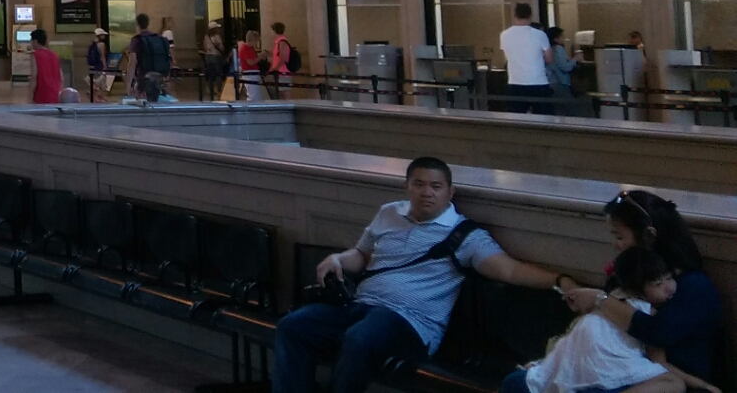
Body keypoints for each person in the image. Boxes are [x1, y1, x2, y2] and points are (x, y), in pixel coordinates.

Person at [272, 156, 562, 393]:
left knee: (359, 338)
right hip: (361, 305)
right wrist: (337, 259)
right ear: (407, 187)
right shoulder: (388, 213)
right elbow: (361, 256)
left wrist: (559, 281)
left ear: (450, 192)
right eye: (419, 184)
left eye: (436, 186)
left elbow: (509, 269)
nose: (427, 192)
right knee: (292, 326)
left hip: (410, 322)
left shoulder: (464, 235)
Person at [557, 189, 724, 387]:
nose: (616, 245)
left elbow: (656, 333)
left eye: (620, 237)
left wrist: (600, 300)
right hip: (624, 371)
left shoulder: (695, 285)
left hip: (673, 380)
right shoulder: (635, 278)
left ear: (649, 236)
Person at [509, 247, 705, 393]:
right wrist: (702, 384)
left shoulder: (606, 300)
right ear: (637, 289)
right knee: (674, 384)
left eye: (669, 278)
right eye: (658, 284)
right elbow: (659, 362)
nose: (669, 288)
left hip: (572, 372)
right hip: (606, 371)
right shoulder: (648, 313)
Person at [501, 3, 552, 113]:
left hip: (515, 82)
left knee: (516, 119)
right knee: (544, 118)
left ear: (515, 15)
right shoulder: (540, 35)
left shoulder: (504, 35)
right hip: (538, 82)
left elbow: (507, 56)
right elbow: (549, 59)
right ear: (530, 16)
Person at [124, 13, 171, 102]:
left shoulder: (137, 40)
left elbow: (132, 63)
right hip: (158, 78)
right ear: (148, 23)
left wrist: (128, 85)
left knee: (143, 104)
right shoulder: (158, 38)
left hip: (143, 78)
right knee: (155, 103)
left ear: (137, 24)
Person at [31, 27, 65, 103]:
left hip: (41, 95)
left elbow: (34, 77)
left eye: (31, 41)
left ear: (35, 41)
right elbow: (61, 78)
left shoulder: (35, 55)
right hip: (55, 95)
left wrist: (30, 96)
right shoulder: (54, 55)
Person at [544, 26, 575, 111]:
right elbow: (565, 67)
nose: (564, 39)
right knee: (569, 109)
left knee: (557, 109)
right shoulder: (558, 48)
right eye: (562, 37)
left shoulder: (548, 49)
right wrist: (575, 59)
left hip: (551, 81)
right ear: (556, 39)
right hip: (561, 82)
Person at [267, 21, 295, 97]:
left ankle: (289, 104)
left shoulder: (282, 42)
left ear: (275, 31)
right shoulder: (279, 42)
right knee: (282, 92)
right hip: (280, 71)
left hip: (283, 71)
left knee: (285, 92)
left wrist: (275, 69)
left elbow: (282, 57)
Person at [238, 29, 266, 101]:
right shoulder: (245, 48)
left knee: (255, 93)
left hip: (252, 73)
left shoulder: (249, 48)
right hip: (250, 73)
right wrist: (260, 57)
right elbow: (250, 62)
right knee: (253, 95)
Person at [86, 29, 112, 99]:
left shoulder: (94, 44)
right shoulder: (102, 45)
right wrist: (105, 66)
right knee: (101, 82)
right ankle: (98, 96)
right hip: (100, 65)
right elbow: (103, 57)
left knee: (97, 81)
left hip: (95, 65)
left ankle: (94, 93)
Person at [204, 26, 228, 98]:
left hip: (208, 56)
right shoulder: (217, 36)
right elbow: (221, 47)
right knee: (218, 73)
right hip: (216, 56)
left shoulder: (206, 36)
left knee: (210, 74)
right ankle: (219, 89)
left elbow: (205, 47)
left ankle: (211, 90)